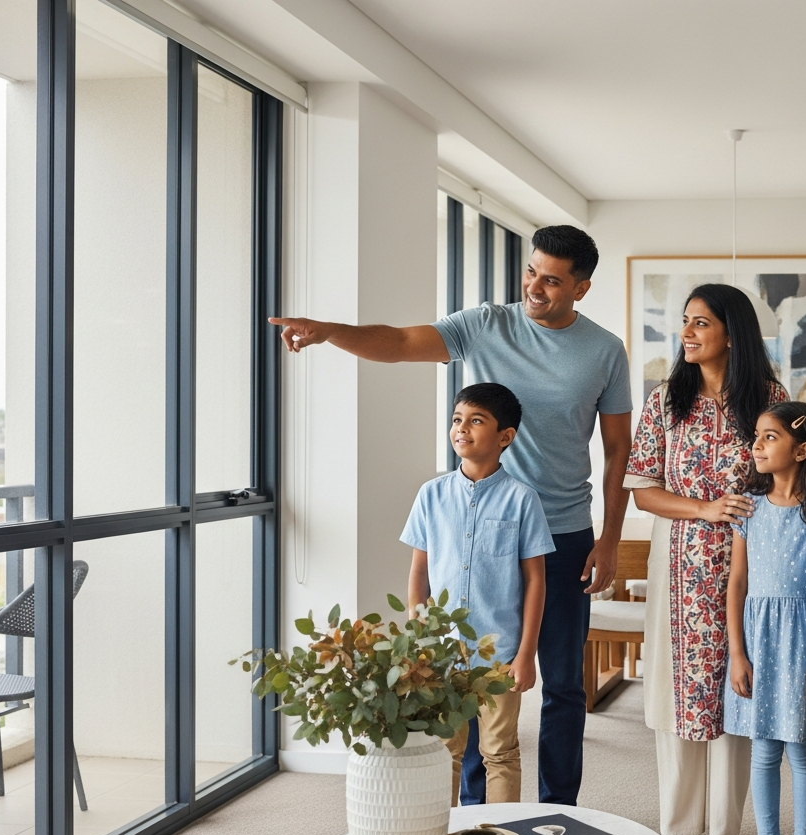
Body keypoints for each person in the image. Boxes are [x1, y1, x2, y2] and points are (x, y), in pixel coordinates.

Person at [270, 225, 632, 805]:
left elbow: (619, 451)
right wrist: (331, 332)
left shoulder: (604, 350)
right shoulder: (486, 324)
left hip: (563, 532)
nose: (535, 287)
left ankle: (558, 810)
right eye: (532, 271)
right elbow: (400, 342)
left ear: (581, 288)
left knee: (563, 685)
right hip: (478, 528)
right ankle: (475, 814)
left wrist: (610, 537)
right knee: (466, 679)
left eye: (553, 280)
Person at [624, 283, 786, 835]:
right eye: (684, 322)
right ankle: (677, 820)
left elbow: (784, 478)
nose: (687, 333)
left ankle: (722, 825)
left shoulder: (769, 396)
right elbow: (644, 491)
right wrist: (704, 509)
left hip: (749, 557)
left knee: (735, 686)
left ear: (731, 331)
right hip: (679, 560)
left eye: (700, 322)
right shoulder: (666, 399)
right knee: (679, 689)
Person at [400, 383, 555, 805]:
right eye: (457, 420)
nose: (461, 429)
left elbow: (536, 581)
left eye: (475, 420)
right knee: (444, 751)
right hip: (442, 655)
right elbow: (419, 572)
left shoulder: (523, 500)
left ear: (505, 436)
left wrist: (526, 654)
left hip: (499, 654)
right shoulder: (430, 495)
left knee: (500, 752)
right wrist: (418, 637)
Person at [723, 401, 806, 835]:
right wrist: (737, 653)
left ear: (803, 448)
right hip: (758, 640)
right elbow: (737, 583)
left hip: (804, 641)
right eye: (756, 436)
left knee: (802, 749)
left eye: (769, 437)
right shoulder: (749, 507)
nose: (757, 445)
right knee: (763, 751)